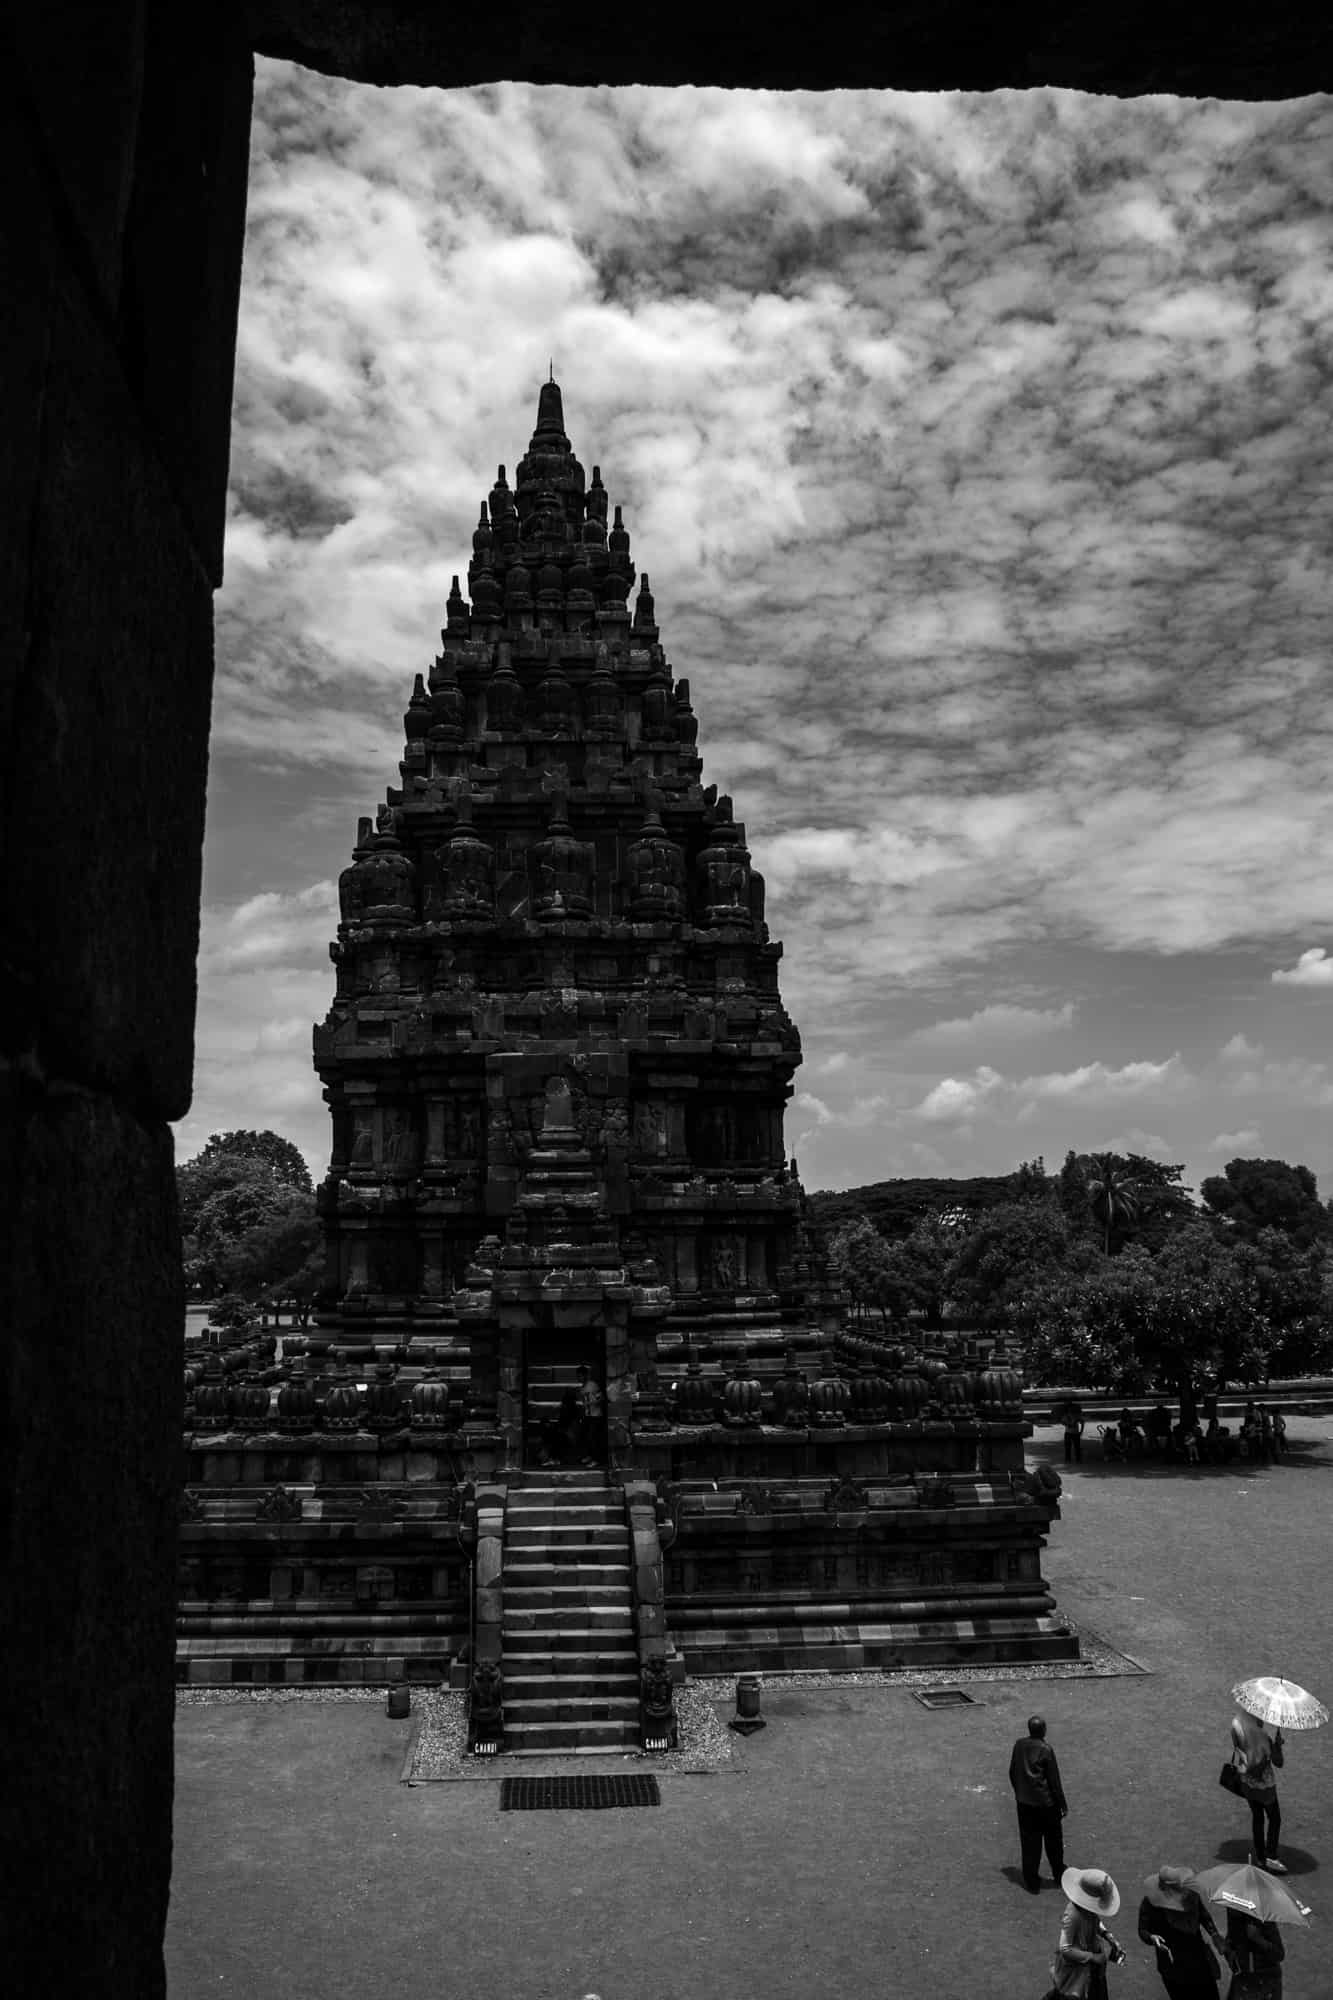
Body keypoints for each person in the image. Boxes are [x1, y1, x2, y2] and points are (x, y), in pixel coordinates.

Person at [1137, 1866, 1233, 1999]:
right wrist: (1152, 1938)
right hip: (1173, 1967)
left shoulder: (1190, 1895)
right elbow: (1142, 1930)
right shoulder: (1151, 1903)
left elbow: (1203, 1916)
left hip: (1199, 1961)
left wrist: (1214, 1934)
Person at [1009, 1713, 1068, 1893]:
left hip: (1025, 1803)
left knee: (1029, 1843)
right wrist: (1062, 1804)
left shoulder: (1019, 1745)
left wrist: (1020, 1792)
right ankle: (1059, 1874)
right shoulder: (1045, 1749)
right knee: (1054, 1841)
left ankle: (1031, 1881)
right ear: (1043, 1730)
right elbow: (1054, 1781)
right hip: (1046, 1804)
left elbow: (1012, 1772)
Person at [1047, 1867, 1122, 1999]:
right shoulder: (1072, 1914)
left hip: (1091, 1964)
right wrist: (1093, 1956)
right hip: (1077, 1968)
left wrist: (1106, 1934)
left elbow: (1094, 1919)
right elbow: (1065, 1948)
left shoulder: (1088, 1907)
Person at [1230, 1709, 1286, 1872]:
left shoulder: (1238, 1732)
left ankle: (1261, 1858)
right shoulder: (1263, 1739)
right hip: (1265, 1787)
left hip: (1247, 1784)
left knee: (1257, 1818)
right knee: (1274, 1819)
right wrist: (1277, 1746)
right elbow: (1279, 1762)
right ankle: (1271, 1857)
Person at [1224, 1906, 1285, 1999]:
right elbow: (1231, 1943)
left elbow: (1279, 1954)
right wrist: (1227, 1950)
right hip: (1243, 1981)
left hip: (1266, 1982)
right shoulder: (1234, 1917)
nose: (1229, 1909)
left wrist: (1258, 1939)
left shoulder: (1264, 1919)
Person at [575, 1363, 604, 1466]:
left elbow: (601, 1398)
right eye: (578, 1375)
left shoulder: (592, 1385)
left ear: (586, 1375)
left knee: (593, 1438)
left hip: (595, 1416)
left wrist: (591, 1403)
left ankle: (596, 1459)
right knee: (586, 1437)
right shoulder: (582, 1388)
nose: (579, 1378)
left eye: (581, 1375)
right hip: (587, 1416)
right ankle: (589, 1456)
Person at [1059, 1398, 1086, 1464]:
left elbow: (1082, 1423)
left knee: (1076, 1447)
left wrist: (1081, 1432)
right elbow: (1062, 1422)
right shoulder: (1067, 1415)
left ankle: (1077, 1459)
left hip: (1073, 1433)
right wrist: (1067, 1424)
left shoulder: (1076, 1416)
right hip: (1069, 1433)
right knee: (1069, 1447)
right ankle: (1070, 1459)